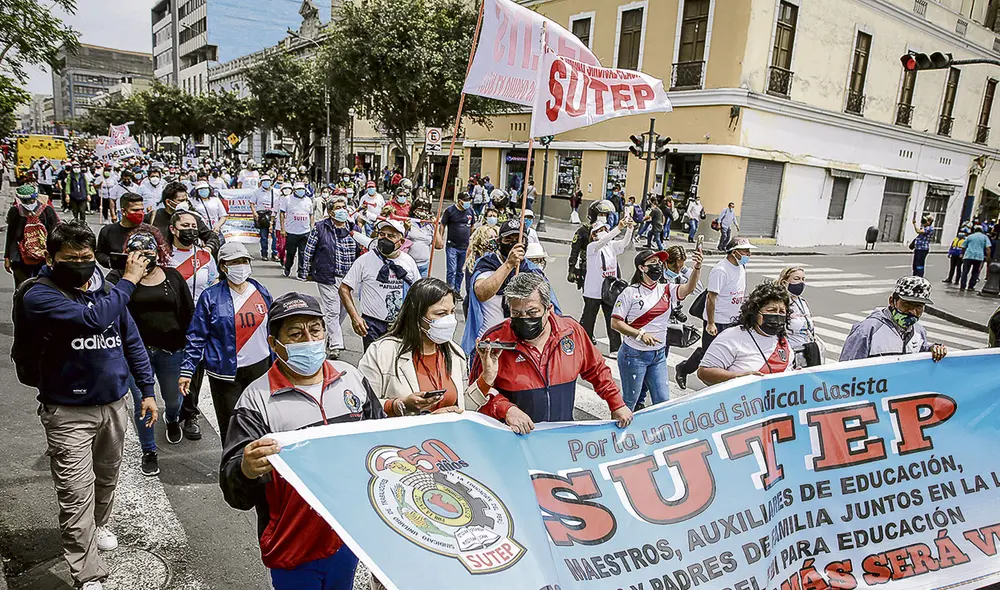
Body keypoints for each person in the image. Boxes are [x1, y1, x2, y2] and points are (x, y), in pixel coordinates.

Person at [23, 221, 157, 590]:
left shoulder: (107, 292)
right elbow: (93, 320)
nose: (81, 264)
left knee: (107, 478)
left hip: (113, 405)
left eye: (86, 257)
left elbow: (132, 342)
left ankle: (99, 525)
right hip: (68, 412)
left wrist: (147, 390)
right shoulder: (40, 295)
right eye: (71, 258)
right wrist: (130, 279)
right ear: (52, 259)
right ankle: (87, 573)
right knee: (75, 492)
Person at [220, 292, 384, 590]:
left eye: (315, 330)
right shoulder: (256, 401)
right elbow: (235, 490)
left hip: (345, 537)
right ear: (274, 344)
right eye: (296, 333)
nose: (309, 339)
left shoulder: (352, 379)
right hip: (292, 546)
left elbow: (380, 443)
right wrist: (246, 469)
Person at [471, 272, 633, 433]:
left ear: (549, 309)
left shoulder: (571, 332)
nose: (524, 318)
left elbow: (596, 369)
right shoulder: (495, 340)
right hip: (514, 439)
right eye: (517, 313)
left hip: (561, 436)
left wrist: (616, 403)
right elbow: (476, 393)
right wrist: (505, 409)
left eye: (532, 312)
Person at [108, 227, 194, 475]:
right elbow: (109, 308)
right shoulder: (120, 280)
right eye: (137, 251)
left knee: (173, 398)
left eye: (149, 251)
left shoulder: (172, 276)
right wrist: (129, 278)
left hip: (172, 351)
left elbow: (188, 312)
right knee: (143, 402)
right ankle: (149, 450)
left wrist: (192, 351)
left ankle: (172, 418)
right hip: (136, 355)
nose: (144, 256)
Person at [180, 242, 273, 443]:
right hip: (225, 374)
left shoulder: (260, 291)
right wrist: (187, 369)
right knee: (231, 428)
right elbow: (197, 336)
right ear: (223, 266)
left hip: (260, 370)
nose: (240, 266)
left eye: (244, 261)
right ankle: (232, 467)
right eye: (234, 262)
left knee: (262, 422)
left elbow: (273, 329)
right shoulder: (210, 296)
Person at [360, 278, 485, 415]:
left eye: (452, 312)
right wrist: (399, 406)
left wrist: (487, 377)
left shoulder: (455, 354)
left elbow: (463, 406)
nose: (450, 320)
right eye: (441, 314)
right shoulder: (381, 353)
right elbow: (362, 404)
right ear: (417, 316)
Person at [612, 249, 702, 410]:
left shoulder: (666, 289)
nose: (658, 266)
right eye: (652, 263)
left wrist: (697, 268)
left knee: (662, 402)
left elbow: (688, 288)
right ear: (642, 268)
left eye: (659, 263)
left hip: (658, 355)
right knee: (629, 403)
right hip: (634, 355)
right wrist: (639, 334)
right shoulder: (630, 292)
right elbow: (616, 323)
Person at [462, 220, 562, 354]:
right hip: (488, 343)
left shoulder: (532, 270)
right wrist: (508, 265)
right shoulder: (487, 263)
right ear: (499, 241)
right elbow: (481, 293)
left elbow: (551, 309)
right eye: (508, 239)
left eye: (519, 240)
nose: (513, 244)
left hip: (521, 346)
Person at [675, 237, 754, 389]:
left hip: (734, 319)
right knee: (709, 353)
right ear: (734, 252)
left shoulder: (740, 267)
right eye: (745, 251)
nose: (748, 254)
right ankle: (684, 368)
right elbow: (711, 298)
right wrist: (711, 323)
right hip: (718, 321)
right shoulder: (720, 270)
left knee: (731, 352)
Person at [340, 219, 419, 350]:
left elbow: (417, 290)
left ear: (402, 242)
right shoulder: (365, 260)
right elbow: (344, 288)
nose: (385, 239)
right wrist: (355, 317)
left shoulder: (408, 262)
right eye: (382, 234)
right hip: (372, 325)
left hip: (399, 324)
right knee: (372, 365)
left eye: (391, 236)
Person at [697, 281, 795, 386]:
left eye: (781, 312)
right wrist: (739, 378)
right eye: (771, 310)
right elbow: (704, 372)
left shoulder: (783, 341)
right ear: (756, 312)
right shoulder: (732, 336)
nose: (777, 315)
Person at [302, 196, 362, 359]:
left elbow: (361, 251)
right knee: (332, 310)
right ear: (329, 211)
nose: (342, 210)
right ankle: (336, 345)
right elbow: (308, 250)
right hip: (327, 275)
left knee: (344, 310)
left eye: (344, 206)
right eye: (337, 207)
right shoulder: (321, 227)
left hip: (349, 278)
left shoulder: (353, 227)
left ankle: (331, 336)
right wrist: (305, 271)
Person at [840, 276, 948, 362]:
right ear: (892, 301)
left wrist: (933, 349)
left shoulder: (919, 332)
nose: (913, 312)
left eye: (919, 306)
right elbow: (846, 369)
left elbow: (919, 352)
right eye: (907, 304)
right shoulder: (867, 330)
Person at [581, 216, 634, 358]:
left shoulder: (611, 246)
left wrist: (629, 229)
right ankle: (584, 347)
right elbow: (603, 240)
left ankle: (615, 348)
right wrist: (618, 228)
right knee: (588, 320)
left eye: (605, 229)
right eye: (599, 230)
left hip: (609, 291)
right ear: (593, 234)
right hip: (593, 291)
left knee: (612, 318)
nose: (603, 232)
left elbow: (624, 243)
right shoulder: (592, 247)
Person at [6, 184, 59, 286]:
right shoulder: (15, 211)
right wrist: (7, 257)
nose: (28, 204)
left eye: (31, 200)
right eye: (25, 201)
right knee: (22, 286)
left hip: (44, 255)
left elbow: (55, 233)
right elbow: (11, 235)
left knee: (43, 284)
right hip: (20, 256)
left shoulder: (47, 211)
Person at [149, 182, 220, 257]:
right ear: (168, 202)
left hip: (186, 261)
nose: (185, 203)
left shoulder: (192, 218)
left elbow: (212, 237)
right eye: (181, 201)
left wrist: (208, 249)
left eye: (186, 200)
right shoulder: (153, 217)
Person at [778, 267, 820, 368]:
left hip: (808, 352)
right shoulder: (781, 302)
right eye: (796, 279)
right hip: (791, 354)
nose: (801, 283)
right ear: (785, 282)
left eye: (803, 279)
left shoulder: (802, 302)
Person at [568, 201, 613, 291]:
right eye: (600, 214)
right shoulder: (583, 231)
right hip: (588, 267)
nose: (603, 217)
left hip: (605, 268)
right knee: (590, 299)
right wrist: (571, 269)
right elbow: (575, 251)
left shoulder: (607, 231)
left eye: (605, 215)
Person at [438, 192, 476, 297]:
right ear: (459, 201)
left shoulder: (470, 211)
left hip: (465, 247)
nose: (467, 202)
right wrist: (440, 238)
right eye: (465, 200)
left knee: (460, 271)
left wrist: (472, 240)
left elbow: (472, 226)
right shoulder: (450, 211)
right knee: (451, 270)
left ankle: (457, 291)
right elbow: (442, 225)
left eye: (469, 200)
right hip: (452, 246)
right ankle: (449, 290)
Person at [96, 193, 147, 268]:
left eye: (142, 210)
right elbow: (100, 253)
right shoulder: (107, 231)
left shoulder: (149, 231)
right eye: (135, 210)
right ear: (123, 211)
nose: (140, 213)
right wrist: (111, 262)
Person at [280, 181, 313, 278]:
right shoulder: (287, 199)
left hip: (305, 231)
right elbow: (282, 214)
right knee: (290, 253)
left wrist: (312, 227)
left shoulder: (308, 200)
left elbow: (311, 215)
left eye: (302, 189)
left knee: (303, 253)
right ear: (294, 190)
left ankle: (301, 271)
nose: (301, 191)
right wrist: (282, 229)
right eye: (298, 189)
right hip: (291, 231)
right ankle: (287, 267)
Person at [250, 174, 279, 261]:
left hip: (273, 216)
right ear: (261, 182)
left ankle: (275, 254)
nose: (266, 183)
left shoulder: (276, 192)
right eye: (264, 181)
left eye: (268, 181)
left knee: (275, 236)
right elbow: (251, 203)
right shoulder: (257, 192)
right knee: (264, 236)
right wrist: (255, 213)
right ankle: (264, 253)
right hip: (262, 217)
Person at [407, 199, 435, 277]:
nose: (423, 212)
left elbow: (439, 245)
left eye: (425, 210)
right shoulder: (409, 223)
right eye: (420, 209)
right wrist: (406, 228)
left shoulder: (430, 226)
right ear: (414, 210)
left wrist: (435, 226)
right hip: (410, 264)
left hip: (425, 265)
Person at [960, 225, 991, 291]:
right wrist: (988, 257)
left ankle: (962, 286)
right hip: (979, 257)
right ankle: (971, 286)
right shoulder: (985, 237)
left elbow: (963, 246)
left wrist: (962, 254)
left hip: (968, 256)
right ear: (982, 231)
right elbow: (988, 248)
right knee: (975, 272)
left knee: (965, 272)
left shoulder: (970, 236)